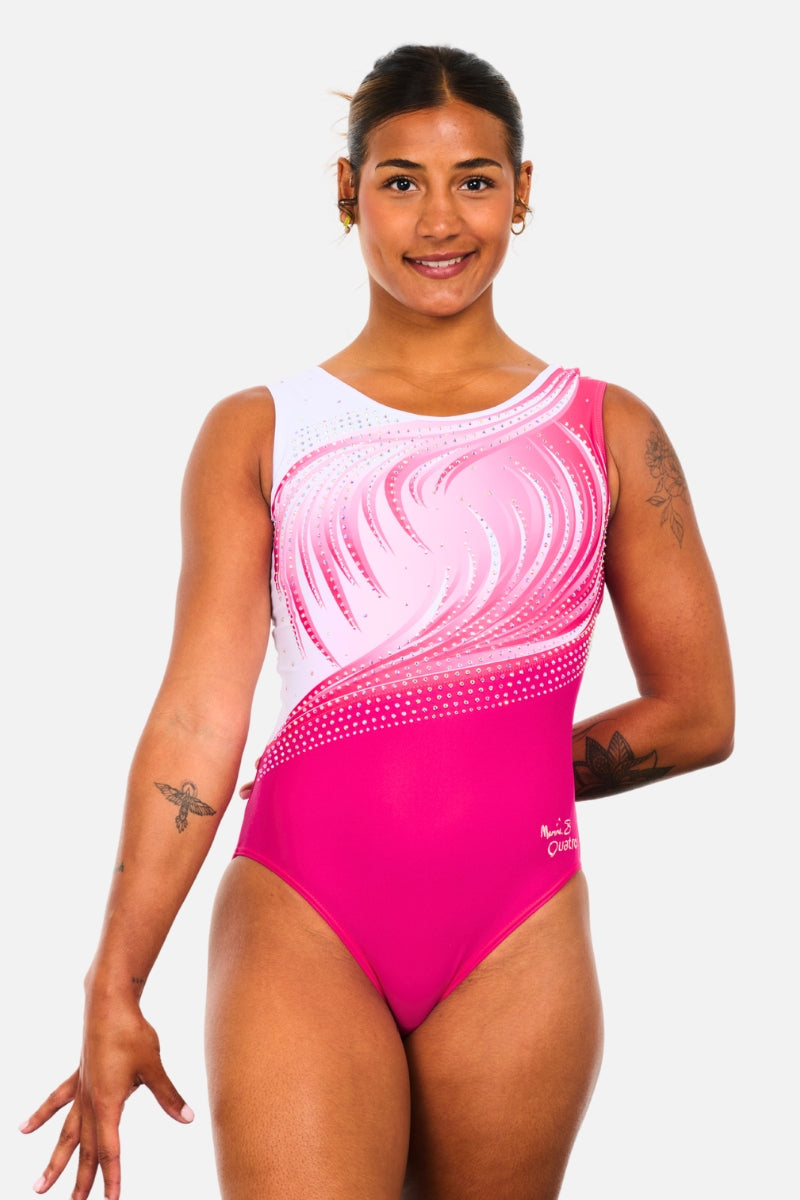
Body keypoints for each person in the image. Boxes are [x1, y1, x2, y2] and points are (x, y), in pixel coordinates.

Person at [20, 44, 734, 1200]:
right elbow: (197, 721)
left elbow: (697, 714)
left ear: (521, 190)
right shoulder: (260, 431)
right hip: (302, 909)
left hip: (517, 929)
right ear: (348, 191)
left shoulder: (607, 432)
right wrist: (115, 982)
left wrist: (490, 767)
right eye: (401, 181)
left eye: (474, 180)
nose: (438, 219)